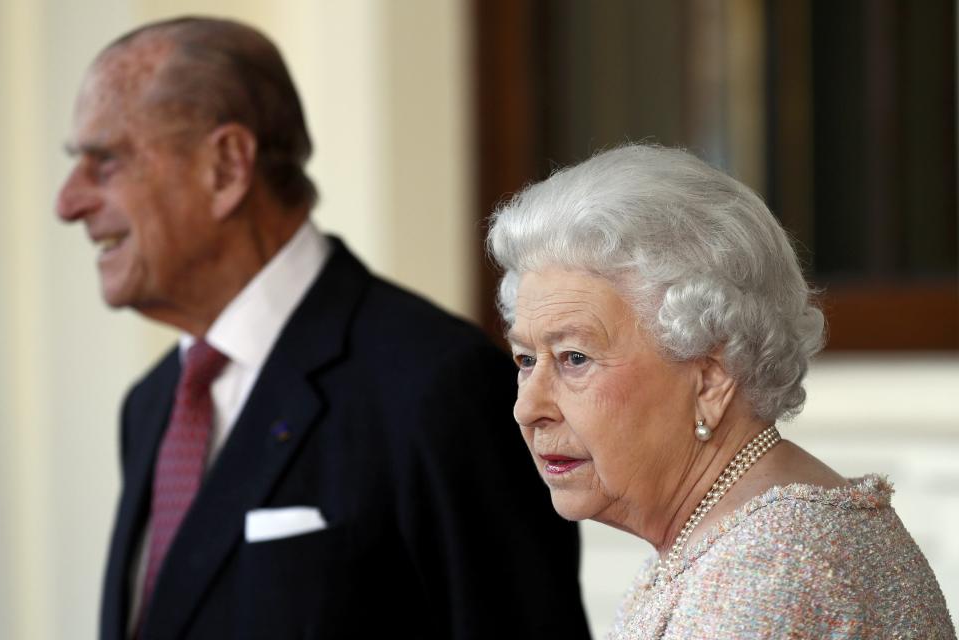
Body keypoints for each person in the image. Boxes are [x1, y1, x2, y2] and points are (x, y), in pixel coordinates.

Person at [56, 16, 590, 640]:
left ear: (226, 167)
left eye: (106, 160)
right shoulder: (150, 407)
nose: (69, 202)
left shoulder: (440, 385)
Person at [487, 144, 957, 638]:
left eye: (574, 359)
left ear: (711, 377)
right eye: (526, 360)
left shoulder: (769, 572)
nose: (527, 407)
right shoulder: (730, 540)